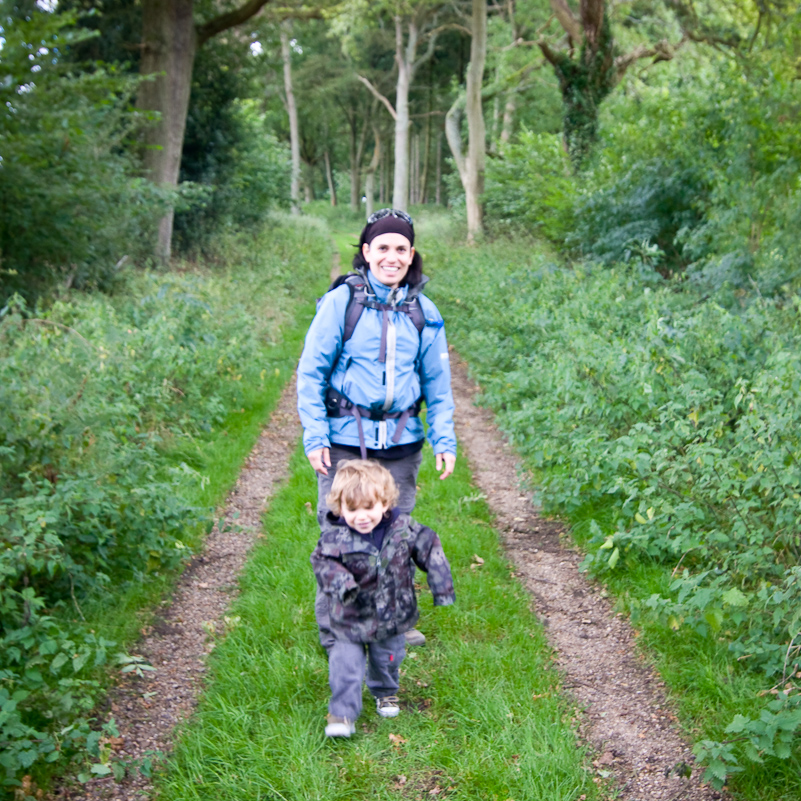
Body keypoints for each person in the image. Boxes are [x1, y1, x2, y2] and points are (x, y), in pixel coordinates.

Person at [297, 208, 457, 649]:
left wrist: (444, 438)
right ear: (367, 252)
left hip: (401, 447)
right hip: (345, 442)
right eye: (382, 247)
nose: (392, 256)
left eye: (401, 249)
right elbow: (310, 373)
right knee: (340, 537)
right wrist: (315, 435)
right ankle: (338, 632)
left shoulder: (424, 311)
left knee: (396, 538)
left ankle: (391, 626)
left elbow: (438, 386)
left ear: (411, 255)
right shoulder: (340, 304)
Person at [310, 460, 455, 738]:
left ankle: (385, 692)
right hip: (348, 616)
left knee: (387, 659)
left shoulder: (404, 529)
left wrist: (442, 588)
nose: (361, 516)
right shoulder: (334, 538)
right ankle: (342, 713)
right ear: (340, 507)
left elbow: (430, 548)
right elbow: (322, 563)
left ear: (385, 503)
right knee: (346, 665)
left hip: (392, 615)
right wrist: (343, 584)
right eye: (352, 509)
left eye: (369, 507)